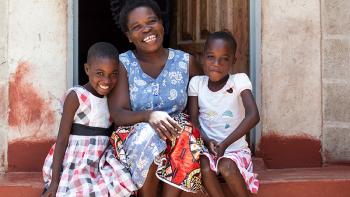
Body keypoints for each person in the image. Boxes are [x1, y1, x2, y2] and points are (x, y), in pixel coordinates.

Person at [108, 0, 203, 196]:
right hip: (137, 135)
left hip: (178, 136)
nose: (146, 29)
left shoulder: (186, 62)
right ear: (128, 36)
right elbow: (118, 113)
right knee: (148, 134)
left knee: (184, 133)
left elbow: (204, 104)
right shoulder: (124, 64)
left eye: (151, 21)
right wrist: (149, 116)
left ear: (162, 23)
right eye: (137, 27)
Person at [42, 42, 137, 197]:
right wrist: (54, 182)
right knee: (79, 191)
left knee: (118, 187)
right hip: (77, 159)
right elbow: (62, 139)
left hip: (101, 159)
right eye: (100, 73)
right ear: (87, 69)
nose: (107, 80)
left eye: (113, 74)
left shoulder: (113, 99)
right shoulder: (76, 96)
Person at [188, 31, 260, 197]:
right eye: (211, 57)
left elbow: (253, 115)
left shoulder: (239, 81)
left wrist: (225, 144)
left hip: (235, 149)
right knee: (203, 166)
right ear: (202, 57)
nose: (216, 63)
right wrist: (207, 141)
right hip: (208, 148)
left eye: (224, 58)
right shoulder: (196, 83)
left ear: (233, 61)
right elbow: (193, 121)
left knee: (225, 166)